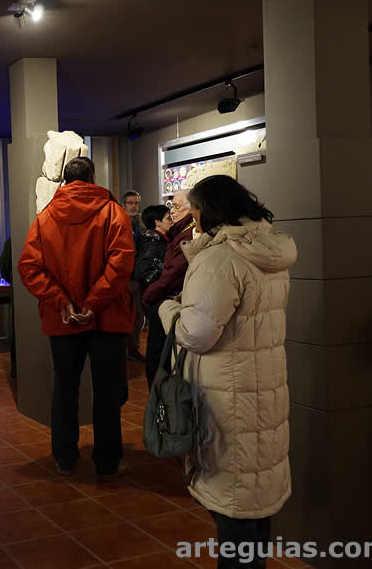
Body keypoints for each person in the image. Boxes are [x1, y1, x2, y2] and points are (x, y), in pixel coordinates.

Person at [158, 176, 295, 568]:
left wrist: (170, 309)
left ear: (209, 210)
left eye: (194, 210)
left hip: (229, 396)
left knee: (233, 504)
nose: (191, 218)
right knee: (256, 496)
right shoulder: (269, 251)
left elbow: (196, 334)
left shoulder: (220, 259)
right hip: (263, 387)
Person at [18, 157, 134, 479]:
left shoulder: (45, 218)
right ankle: (107, 460)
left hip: (64, 319)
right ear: (93, 177)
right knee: (107, 391)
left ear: (64, 180)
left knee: (65, 388)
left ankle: (64, 457)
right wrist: (94, 304)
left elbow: (29, 268)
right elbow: (121, 265)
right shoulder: (113, 213)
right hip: (107, 317)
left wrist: (62, 303)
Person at [132, 204, 172, 387]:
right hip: (155, 300)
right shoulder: (153, 243)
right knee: (157, 347)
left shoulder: (158, 240)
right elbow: (144, 271)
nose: (171, 221)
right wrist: (166, 275)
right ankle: (156, 387)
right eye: (168, 218)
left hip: (154, 298)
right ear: (157, 222)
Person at [122, 189, 145, 361]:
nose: (134, 206)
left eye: (136, 203)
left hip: (137, 275)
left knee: (138, 314)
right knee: (124, 314)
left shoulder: (141, 223)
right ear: (124, 205)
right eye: (130, 203)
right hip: (123, 276)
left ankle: (133, 347)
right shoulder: (119, 222)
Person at [0, 236, 17, 377]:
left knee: (17, 330)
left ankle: (16, 369)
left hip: (17, 291)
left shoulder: (12, 241)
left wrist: (12, 281)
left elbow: (4, 267)